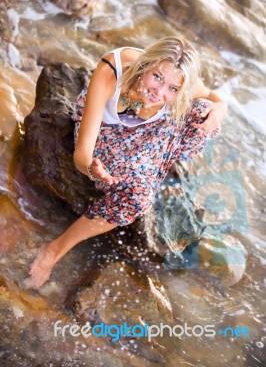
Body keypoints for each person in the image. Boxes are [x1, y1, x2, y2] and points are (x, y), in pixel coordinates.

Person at [28, 36, 227, 289]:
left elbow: (214, 97)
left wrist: (220, 109)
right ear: (147, 63)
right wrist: (92, 168)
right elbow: (83, 153)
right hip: (106, 130)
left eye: (172, 89)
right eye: (156, 77)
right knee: (137, 197)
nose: (159, 92)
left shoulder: (180, 80)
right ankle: (53, 250)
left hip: (148, 133)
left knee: (203, 111)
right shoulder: (113, 70)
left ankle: (154, 162)